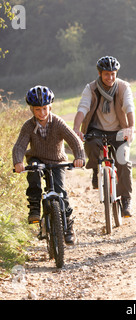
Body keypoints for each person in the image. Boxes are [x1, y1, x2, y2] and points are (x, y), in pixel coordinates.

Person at [12, 85, 85, 245]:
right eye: (37, 109)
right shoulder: (28, 126)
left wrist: (79, 156)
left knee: (60, 192)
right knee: (34, 174)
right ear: (32, 109)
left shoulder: (57, 122)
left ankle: (68, 228)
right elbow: (20, 146)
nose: (42, 113)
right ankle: (34, 208)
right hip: (37, 159)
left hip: (57, 161)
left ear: (50, 107)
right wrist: (18, 162)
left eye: (45, 108)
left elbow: (74, 139)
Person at [73, 56, 135, 217]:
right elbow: (83, 107)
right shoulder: (91, 88)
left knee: (124, 162)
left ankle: (126, 200)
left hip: (119, 130)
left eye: (113, 74)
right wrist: (76, 128)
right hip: (97, 129)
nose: (110, 78)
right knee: (91, 144)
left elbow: (129, 106)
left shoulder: (123, 87)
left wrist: (131, 127)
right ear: (100, 74)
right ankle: (95, 169)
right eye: (106, 74)